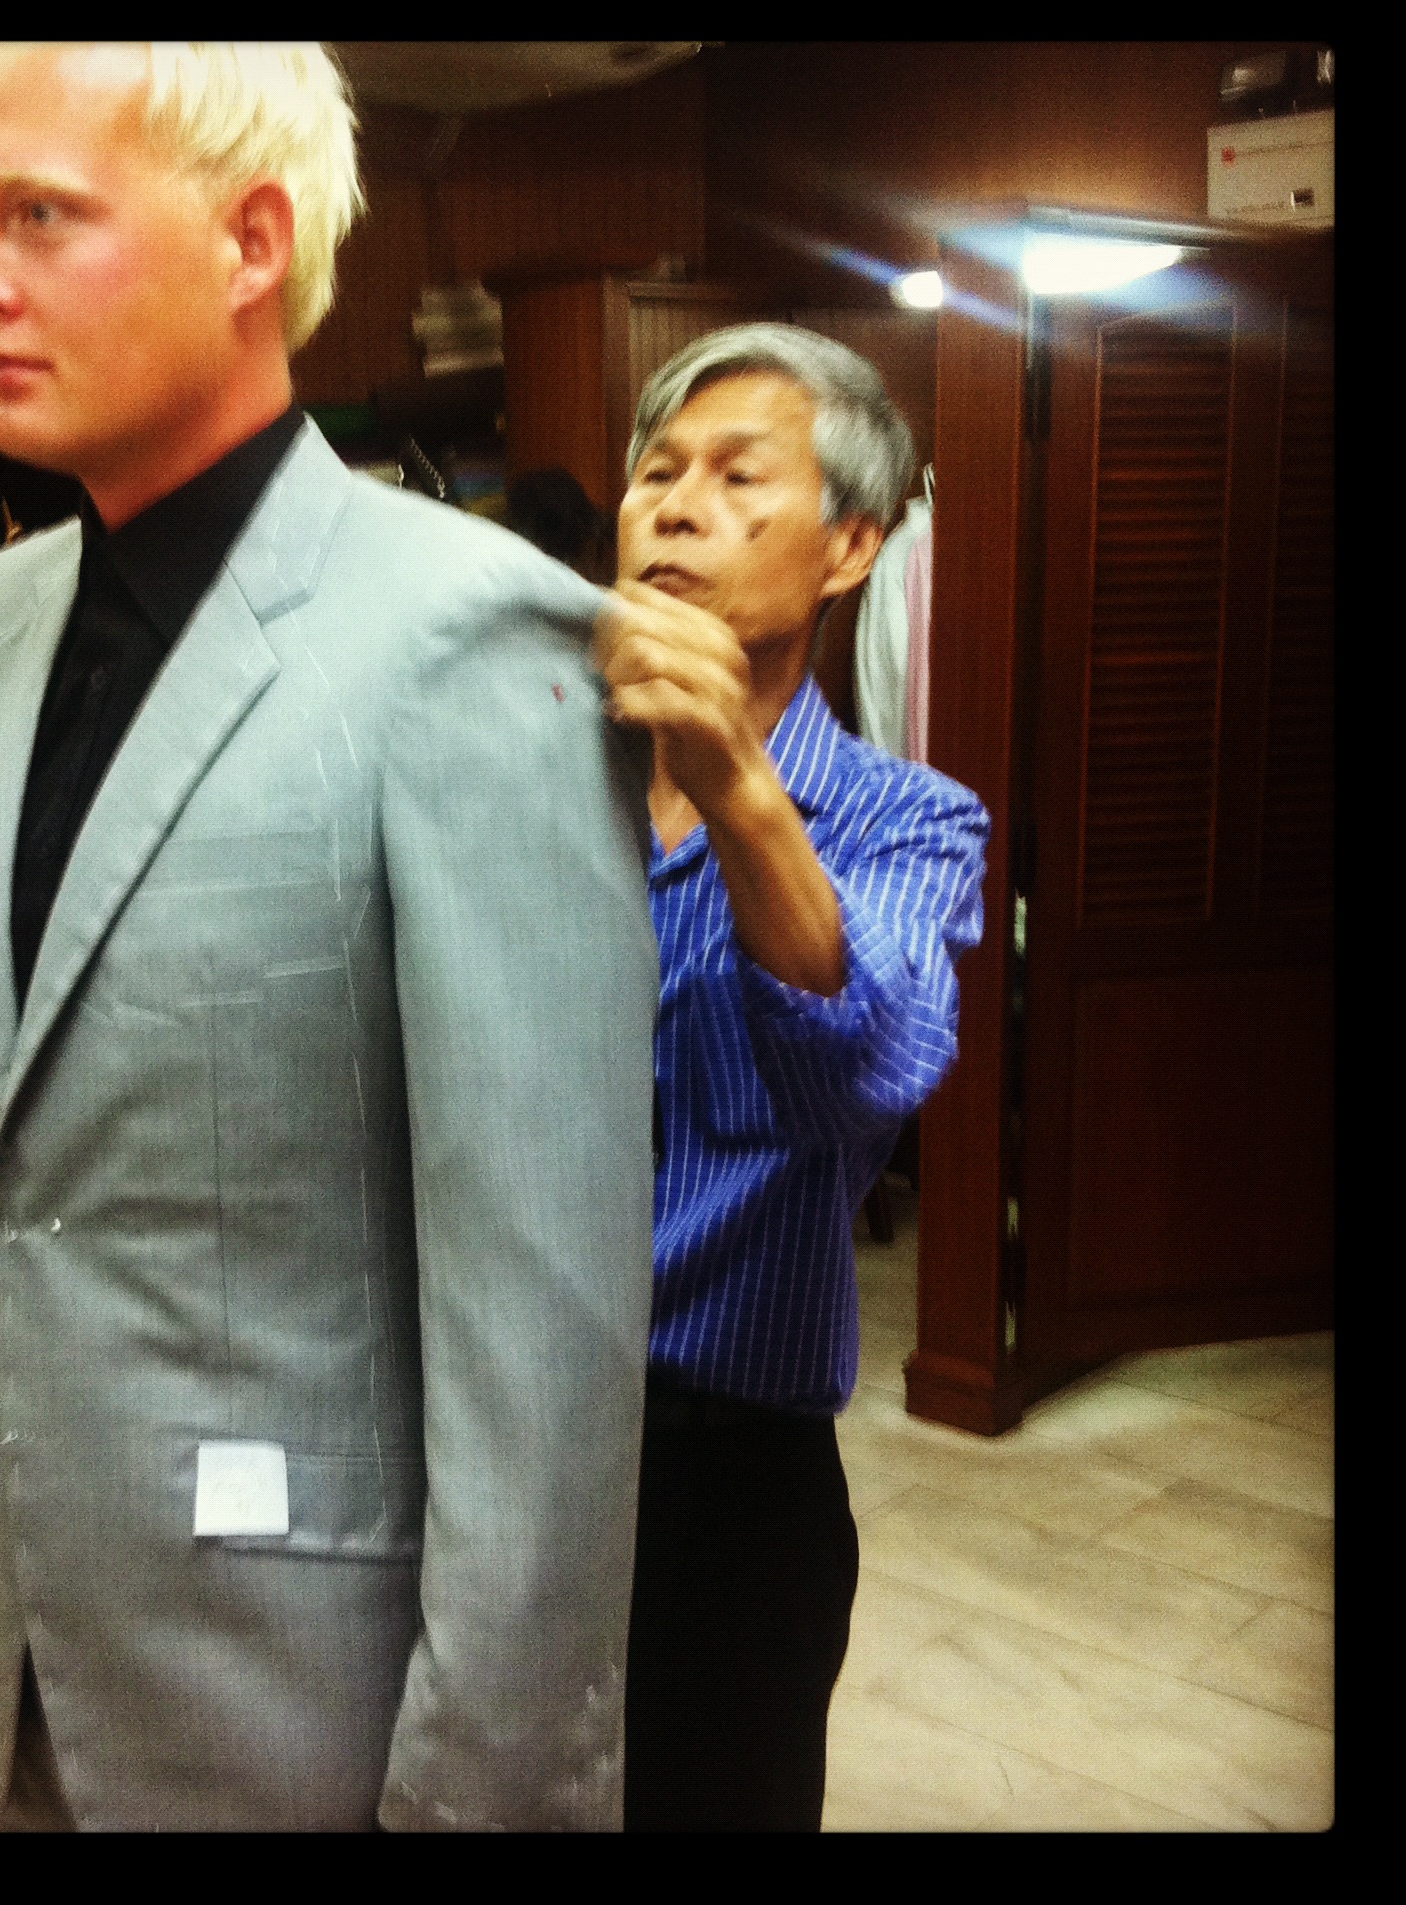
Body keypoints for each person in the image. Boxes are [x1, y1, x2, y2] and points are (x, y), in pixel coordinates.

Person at [0, 42, 659, 1832]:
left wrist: (484, 1801)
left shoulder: (471, 640)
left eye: (38, 215)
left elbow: (545, 1348)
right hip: (38, 1672)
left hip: (319, 1704)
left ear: (251, 241)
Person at [592, 324, 989, 1831]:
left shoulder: (906, 819)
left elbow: (866, 1073)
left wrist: (736, 785)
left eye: (737, 476)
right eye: (656, 473)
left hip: (725, 1482)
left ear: (850, 546)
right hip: (494, 1437)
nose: (677, 507)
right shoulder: (527, 777)